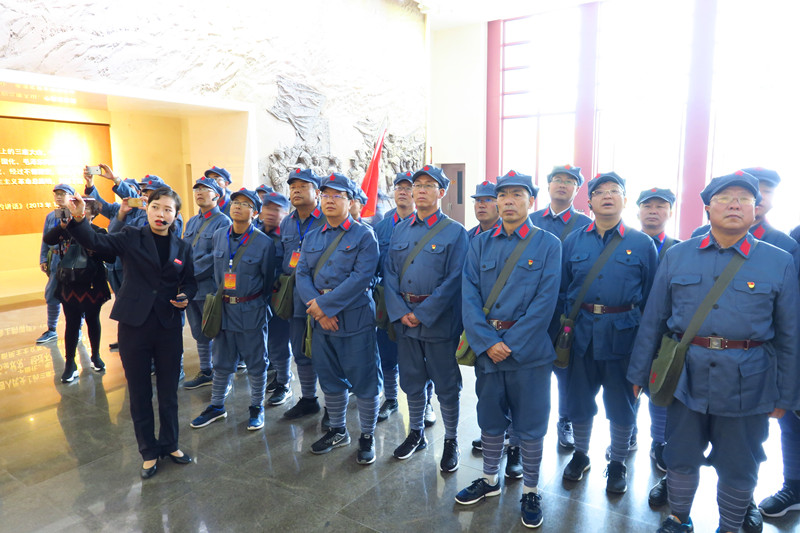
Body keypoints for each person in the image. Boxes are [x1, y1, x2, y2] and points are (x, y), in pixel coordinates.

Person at [627, 171, 800, 533]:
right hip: (685, 377)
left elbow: (789, 335)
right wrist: (639, 373)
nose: (735, 204)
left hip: (748, 383)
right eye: (724, 198)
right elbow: (654, 319)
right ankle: (679, 518)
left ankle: (730, 526)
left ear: (755, 209)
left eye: (744, 199)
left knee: (740, 463)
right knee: (680, 454)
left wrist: (786, 394)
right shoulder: (677, 256)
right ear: (708, 207)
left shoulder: (779, 261)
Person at [63, 188, 196, 479]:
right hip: (134, 324)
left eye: (168, 210)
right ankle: (148, 452)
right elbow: (96, 242)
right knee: (139, 392)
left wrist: (186, 295)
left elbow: (190, 281)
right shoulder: (131, 236)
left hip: (168, 325)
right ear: (147, 208)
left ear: (176, 215)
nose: (161, 214)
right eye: (156, 207)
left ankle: (170, 444)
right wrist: (80, 219)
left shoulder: (182, 247)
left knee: (169, 392)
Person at [456, 170, 561, 528]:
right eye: (503, 195)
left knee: (531, 424)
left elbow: (546, 303)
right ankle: (489, 480)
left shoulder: (548, 244)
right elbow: (469, 296)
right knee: (489, 417)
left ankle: (530, 490)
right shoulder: (479, 243)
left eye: (517, 194)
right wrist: (489, 342)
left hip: (528, 353)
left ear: (531, 200)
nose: (509, 201)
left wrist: (509, 345)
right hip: (488, 349)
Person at [560, 172, 657, 494]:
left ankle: (617, 462)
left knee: (622, 404)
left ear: (625, 200)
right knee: (579, 400)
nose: (607, 196)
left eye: (614, 191)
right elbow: (563, 289)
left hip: (624, 337)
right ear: (589, 201)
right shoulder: (573, 241)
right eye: (600, 192)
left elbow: (652, 298)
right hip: (582, 335)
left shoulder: (642, 244)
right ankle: (581, 454)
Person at [384, 165, 468, 472]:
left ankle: (451, 439)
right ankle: (416, 432)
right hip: (405, 319)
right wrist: (400, 311)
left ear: (441, 192)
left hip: (438, 321)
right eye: (416, 185)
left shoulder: (455, 232)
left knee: (446, 384)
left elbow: (455, 279)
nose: (420, 190)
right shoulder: (400, 229)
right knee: (412, 379)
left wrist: (422, 313)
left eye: (428, 185)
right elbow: (389, 273)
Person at [295, 173, 381, 463]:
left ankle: (367, 435)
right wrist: (318, 310)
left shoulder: (364, 236)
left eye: (337, 195)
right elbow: (302, 274)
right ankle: (337, 430)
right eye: (326, 195)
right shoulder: (312, 236)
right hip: (322, 321)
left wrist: (325, 307)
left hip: (355, 319)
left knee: (364, 380)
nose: (330, 200)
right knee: (330, 378)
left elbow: (361, 278)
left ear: (350, 201)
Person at [191, 189, 276, 431]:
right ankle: (217, 406)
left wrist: (253, 301)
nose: (238, 206)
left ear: (255, 213)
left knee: (256, 362)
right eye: (236, 202)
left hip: (251, 310)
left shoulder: (263, 243)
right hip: (224, 309)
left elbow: (268, 281)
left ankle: (256, 407)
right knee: (222, 360)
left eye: (245, 204)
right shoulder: (220, 236)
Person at [530, 164, 592, 451]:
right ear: (548, 185)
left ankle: (565, 420)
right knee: (529, 371)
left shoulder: (586, 225)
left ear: (577, 190)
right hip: (531, 312)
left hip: (567, 313)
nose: (562, 184)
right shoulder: (530, 220)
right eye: (557, 179)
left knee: (567, 371)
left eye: (569, 181)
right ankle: (521, 424)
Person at [43, 197, 114, 382]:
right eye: (75, 207)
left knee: (92, 320)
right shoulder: (67, 229)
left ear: (93, 214)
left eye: (84, 208)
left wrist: (94, 247)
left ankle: (95, 356)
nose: (78, 210)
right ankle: (70, 364)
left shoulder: (98, 232)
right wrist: (62, 226)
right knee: (72, 323)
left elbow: (111, 257)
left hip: (92, 285)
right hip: (69, 284)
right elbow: (48, 239)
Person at [279, 169, 327, 422]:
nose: (296, 190)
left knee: (327, 353)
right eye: (292, 186)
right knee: (300, 350)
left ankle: (333, 407)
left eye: (302, 186)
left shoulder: (327, 219)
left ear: (317, 192)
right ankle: (308, 399)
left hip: (322, 298)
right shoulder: (287, 222)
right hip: (295, 298)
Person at [373, 172, 416, 423]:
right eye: (399, 187)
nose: (403, 192)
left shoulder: (427, 226)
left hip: (416, 302)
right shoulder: (382, 226)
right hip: (387, 300)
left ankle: (423, 404)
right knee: (387, 354)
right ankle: (390, 398)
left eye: (408, 188)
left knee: (418, 358)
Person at [181, 177, 231, 389]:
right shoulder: (192, 221)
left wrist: (191, 272)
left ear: (217, 195)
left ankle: (222, 375)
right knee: (198, 331)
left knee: (215, 330)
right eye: (197, 189)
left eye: (205, 189)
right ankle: (206, 370)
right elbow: (184, 249)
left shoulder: (223, 222)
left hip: (208, 286)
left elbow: (217, 256)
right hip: (191, 287)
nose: (199, 192)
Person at [257, 190, 295, 407]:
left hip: (279, 298)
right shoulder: (255, 234)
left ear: (286, 213)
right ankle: (279, 374)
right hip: (258, 298)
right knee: (268, 342)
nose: (271, 213)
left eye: (277, 209)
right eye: (267, 208)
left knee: (279, 341)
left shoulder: (287, 238)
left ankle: (284, 382)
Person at [37, 183, 76, 345]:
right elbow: (46, 239)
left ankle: (77, 328)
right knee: (52, 294)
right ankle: (52, 329)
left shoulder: (77, 214)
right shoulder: (51, 216)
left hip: (73, 262)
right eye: (56, 194)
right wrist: (43, 258)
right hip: (55, 261)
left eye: (62, 194)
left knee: (74, 296)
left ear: (71, 196)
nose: (59, 197)